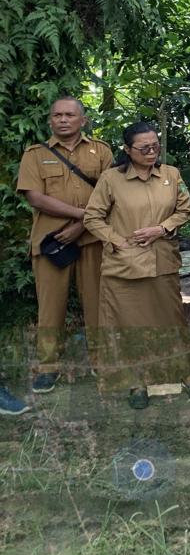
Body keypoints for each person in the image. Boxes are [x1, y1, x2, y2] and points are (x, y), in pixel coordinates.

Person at [82, 122, 190, 409]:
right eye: (144, 148)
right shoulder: (112, 179)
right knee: (131, 327)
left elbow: (185, 210)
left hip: (162, 263)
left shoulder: (170, 175)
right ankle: (138, 383)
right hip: (124, 268)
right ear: (127, 150)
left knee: (171, 322)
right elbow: (92, 218)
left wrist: (161, 228)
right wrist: (117, 242)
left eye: (155, 146)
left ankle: (185, 375)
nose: (151, 152)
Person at [17, 97, 113, 392]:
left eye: (69, 115)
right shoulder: (34, 155)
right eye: (57, 114)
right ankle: (48, 367)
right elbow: (36, 197)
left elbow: (112, 196)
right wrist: (81, 216)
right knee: (50, 309)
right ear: (50, 120)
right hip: (51, 243)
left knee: (97, 306)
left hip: (93, 241)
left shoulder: (101, 151)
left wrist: (81, 227)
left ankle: (101, 363)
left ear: (82, 120)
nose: (63, 119)